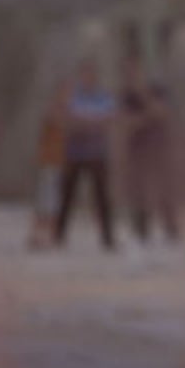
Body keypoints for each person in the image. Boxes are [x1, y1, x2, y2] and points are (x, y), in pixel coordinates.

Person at [54, 57, 117, 250]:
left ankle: (107, 238)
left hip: (97, 154)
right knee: (67, 196)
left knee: (102, 197)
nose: (87, 78)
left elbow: (109, 120)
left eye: (91, 74)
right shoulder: (72, 95)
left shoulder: (104, 96)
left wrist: (83, 121)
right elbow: (66, 118)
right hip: (75, 154)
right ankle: (59, 235)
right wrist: (91, 121)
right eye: (84, 74)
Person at [119, 54, 179, 243]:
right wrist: (147, 116)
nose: (131, 74)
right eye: (127, 71)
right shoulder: (126, 95)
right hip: (136, 148)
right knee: (138, 189)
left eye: (134, 70)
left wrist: (144, 96)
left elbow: (163, 113)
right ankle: (141, 230)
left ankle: (170, 227)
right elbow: (126, 123)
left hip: (159, 146)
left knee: (164, 187)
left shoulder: (157, 89)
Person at [27, 78, 69, 250]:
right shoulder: (53, 111)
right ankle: (37, 235)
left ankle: (49, 236)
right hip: (49, 162)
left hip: (58, 162)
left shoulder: (62, 111)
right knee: (45, 201)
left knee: (53, 202)